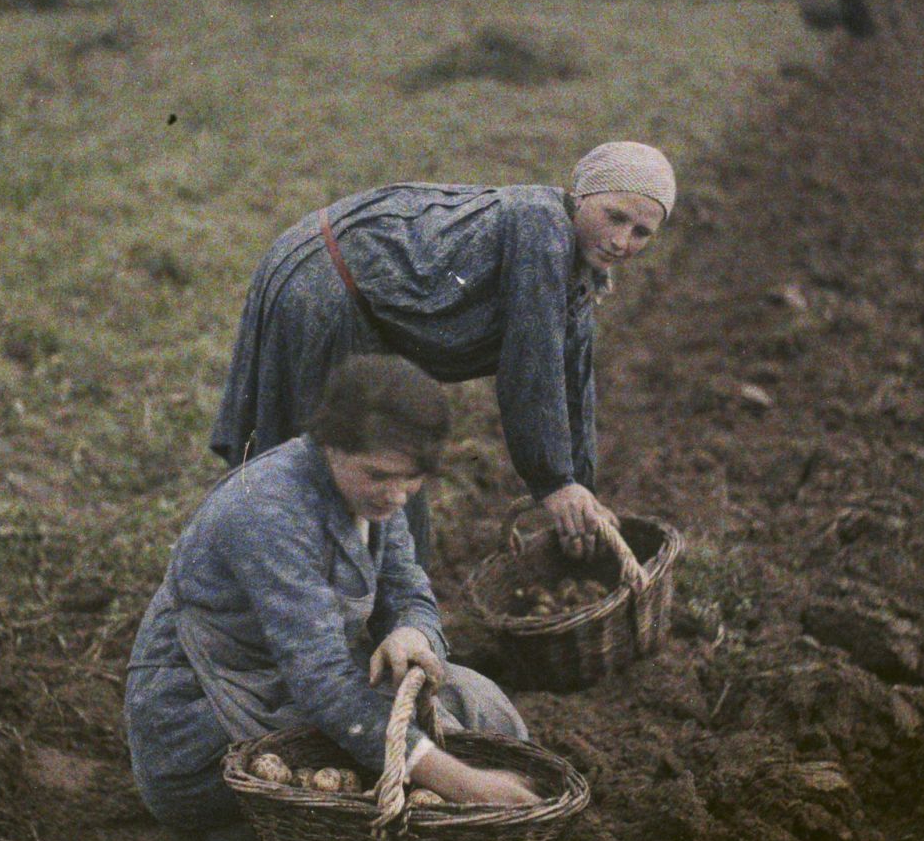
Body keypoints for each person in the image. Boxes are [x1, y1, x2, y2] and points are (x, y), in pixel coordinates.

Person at [126, 355, 535, 841]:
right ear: (331, 445)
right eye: (380, 476)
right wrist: (466, 783)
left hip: (300, 680)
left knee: (474, 703)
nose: (396, 494)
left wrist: (413, 629)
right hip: (207, 713)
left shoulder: (381, 490)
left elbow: (408, 587)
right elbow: (323, 683)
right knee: (387, 770)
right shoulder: (269, 511)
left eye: (411, 481)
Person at [209, 141, 677, 564]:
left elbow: (572, 377)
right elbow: (531, 365)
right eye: (615, 216)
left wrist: (581, 491)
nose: (622, 241)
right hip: (327, 285)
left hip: (365, 307)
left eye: (641, 232)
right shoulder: (543, 224)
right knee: (335, 467)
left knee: (385, 470)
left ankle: (391, 620)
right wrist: (553, 482)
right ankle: (297, 607)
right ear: (578, 193)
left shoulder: (582, 270)